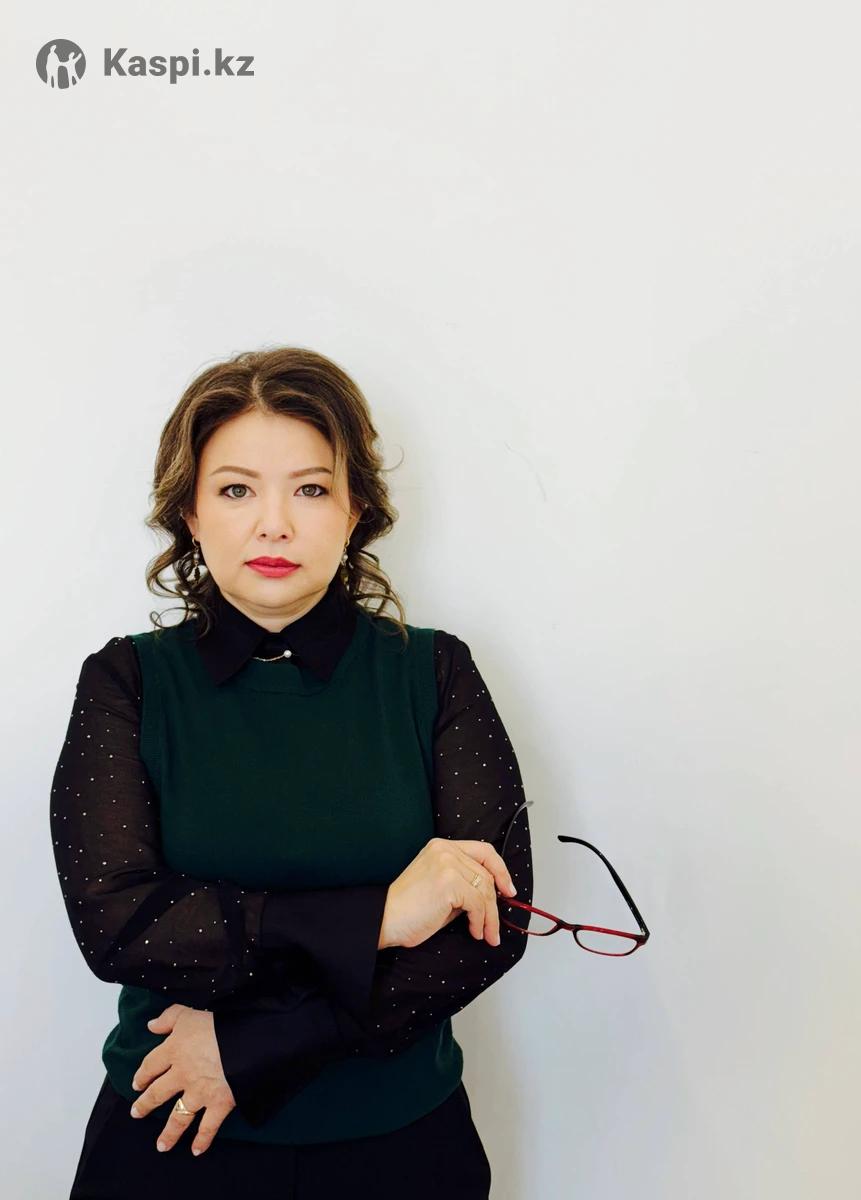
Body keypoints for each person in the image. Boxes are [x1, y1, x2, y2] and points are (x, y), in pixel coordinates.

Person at [50, 346, 534, 1199]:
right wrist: (381, 916)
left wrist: (252, 1048)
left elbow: (493, 921)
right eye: (237, 490)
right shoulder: (126, 681)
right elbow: (118, 922)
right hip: (172, 1135)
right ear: (191, 513)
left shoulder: (436, 673)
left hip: (399, 1145)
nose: (274, 523)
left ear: (354, 510)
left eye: (310, 489)